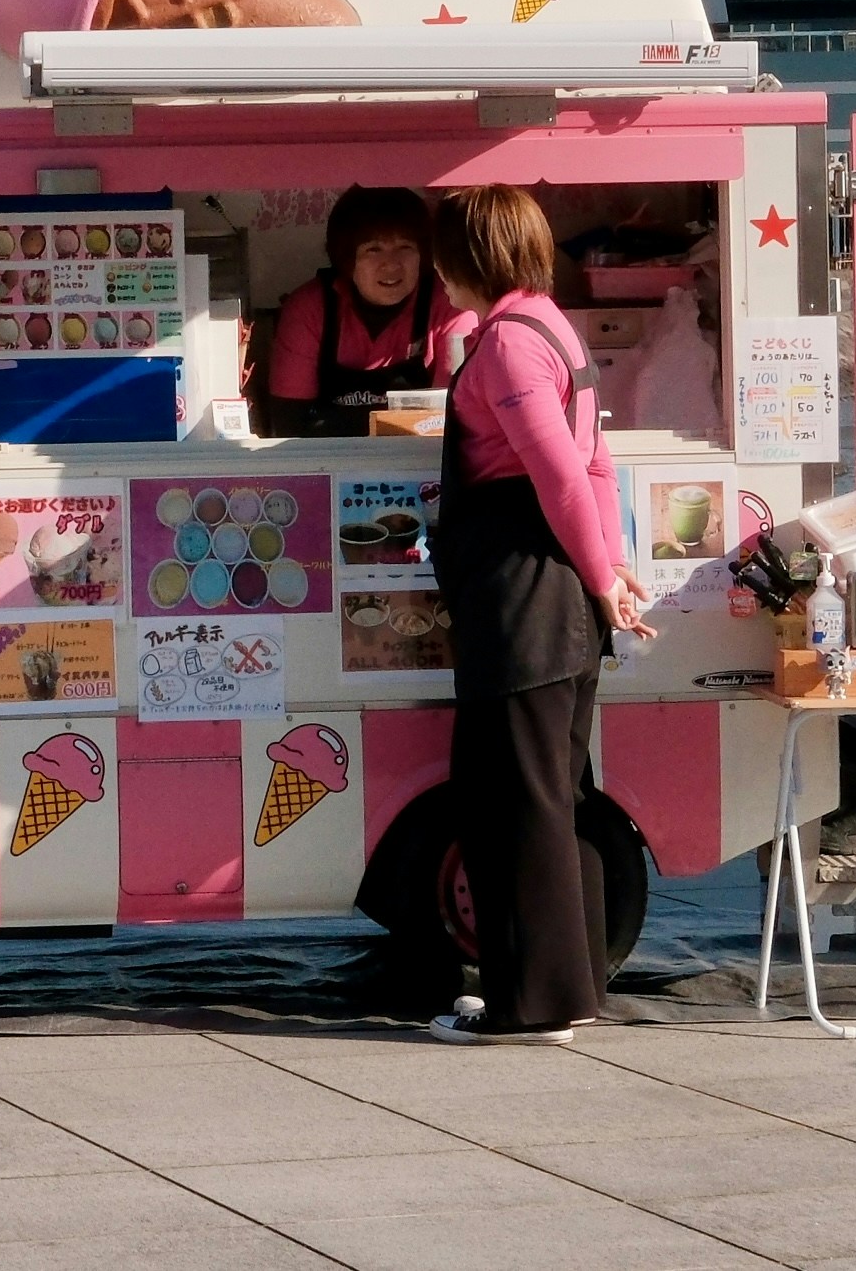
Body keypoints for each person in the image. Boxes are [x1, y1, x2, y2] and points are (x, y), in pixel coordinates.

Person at [424, 184, 654, 1045]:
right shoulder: (546, 322)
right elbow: (595, 467)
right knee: (550, 796)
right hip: (556, 593)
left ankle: (534, 1003)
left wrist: (603, 579)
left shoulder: (508, 349)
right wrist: (611, 570)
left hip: (524, 593)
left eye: (444, 256)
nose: (436, 273)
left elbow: (559, 474)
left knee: (509, 801)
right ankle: (566, 984)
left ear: (468, 257)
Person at [262, 187, 474, 436]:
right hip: (328, 462)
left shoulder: (450, 303)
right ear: (347, 258)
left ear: (424, 255)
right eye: (374, 249)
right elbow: (289, 426)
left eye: (405, 247)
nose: (391, 264)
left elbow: (460, 416)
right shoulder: (308, 309)